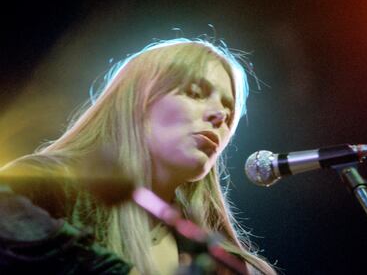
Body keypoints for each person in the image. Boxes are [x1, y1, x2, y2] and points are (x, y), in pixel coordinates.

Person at [0, 38, 276, 274]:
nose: (219, 116)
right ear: (136, 103)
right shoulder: (57, 187)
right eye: (195, 93)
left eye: (229, 113)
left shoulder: (220, 262)